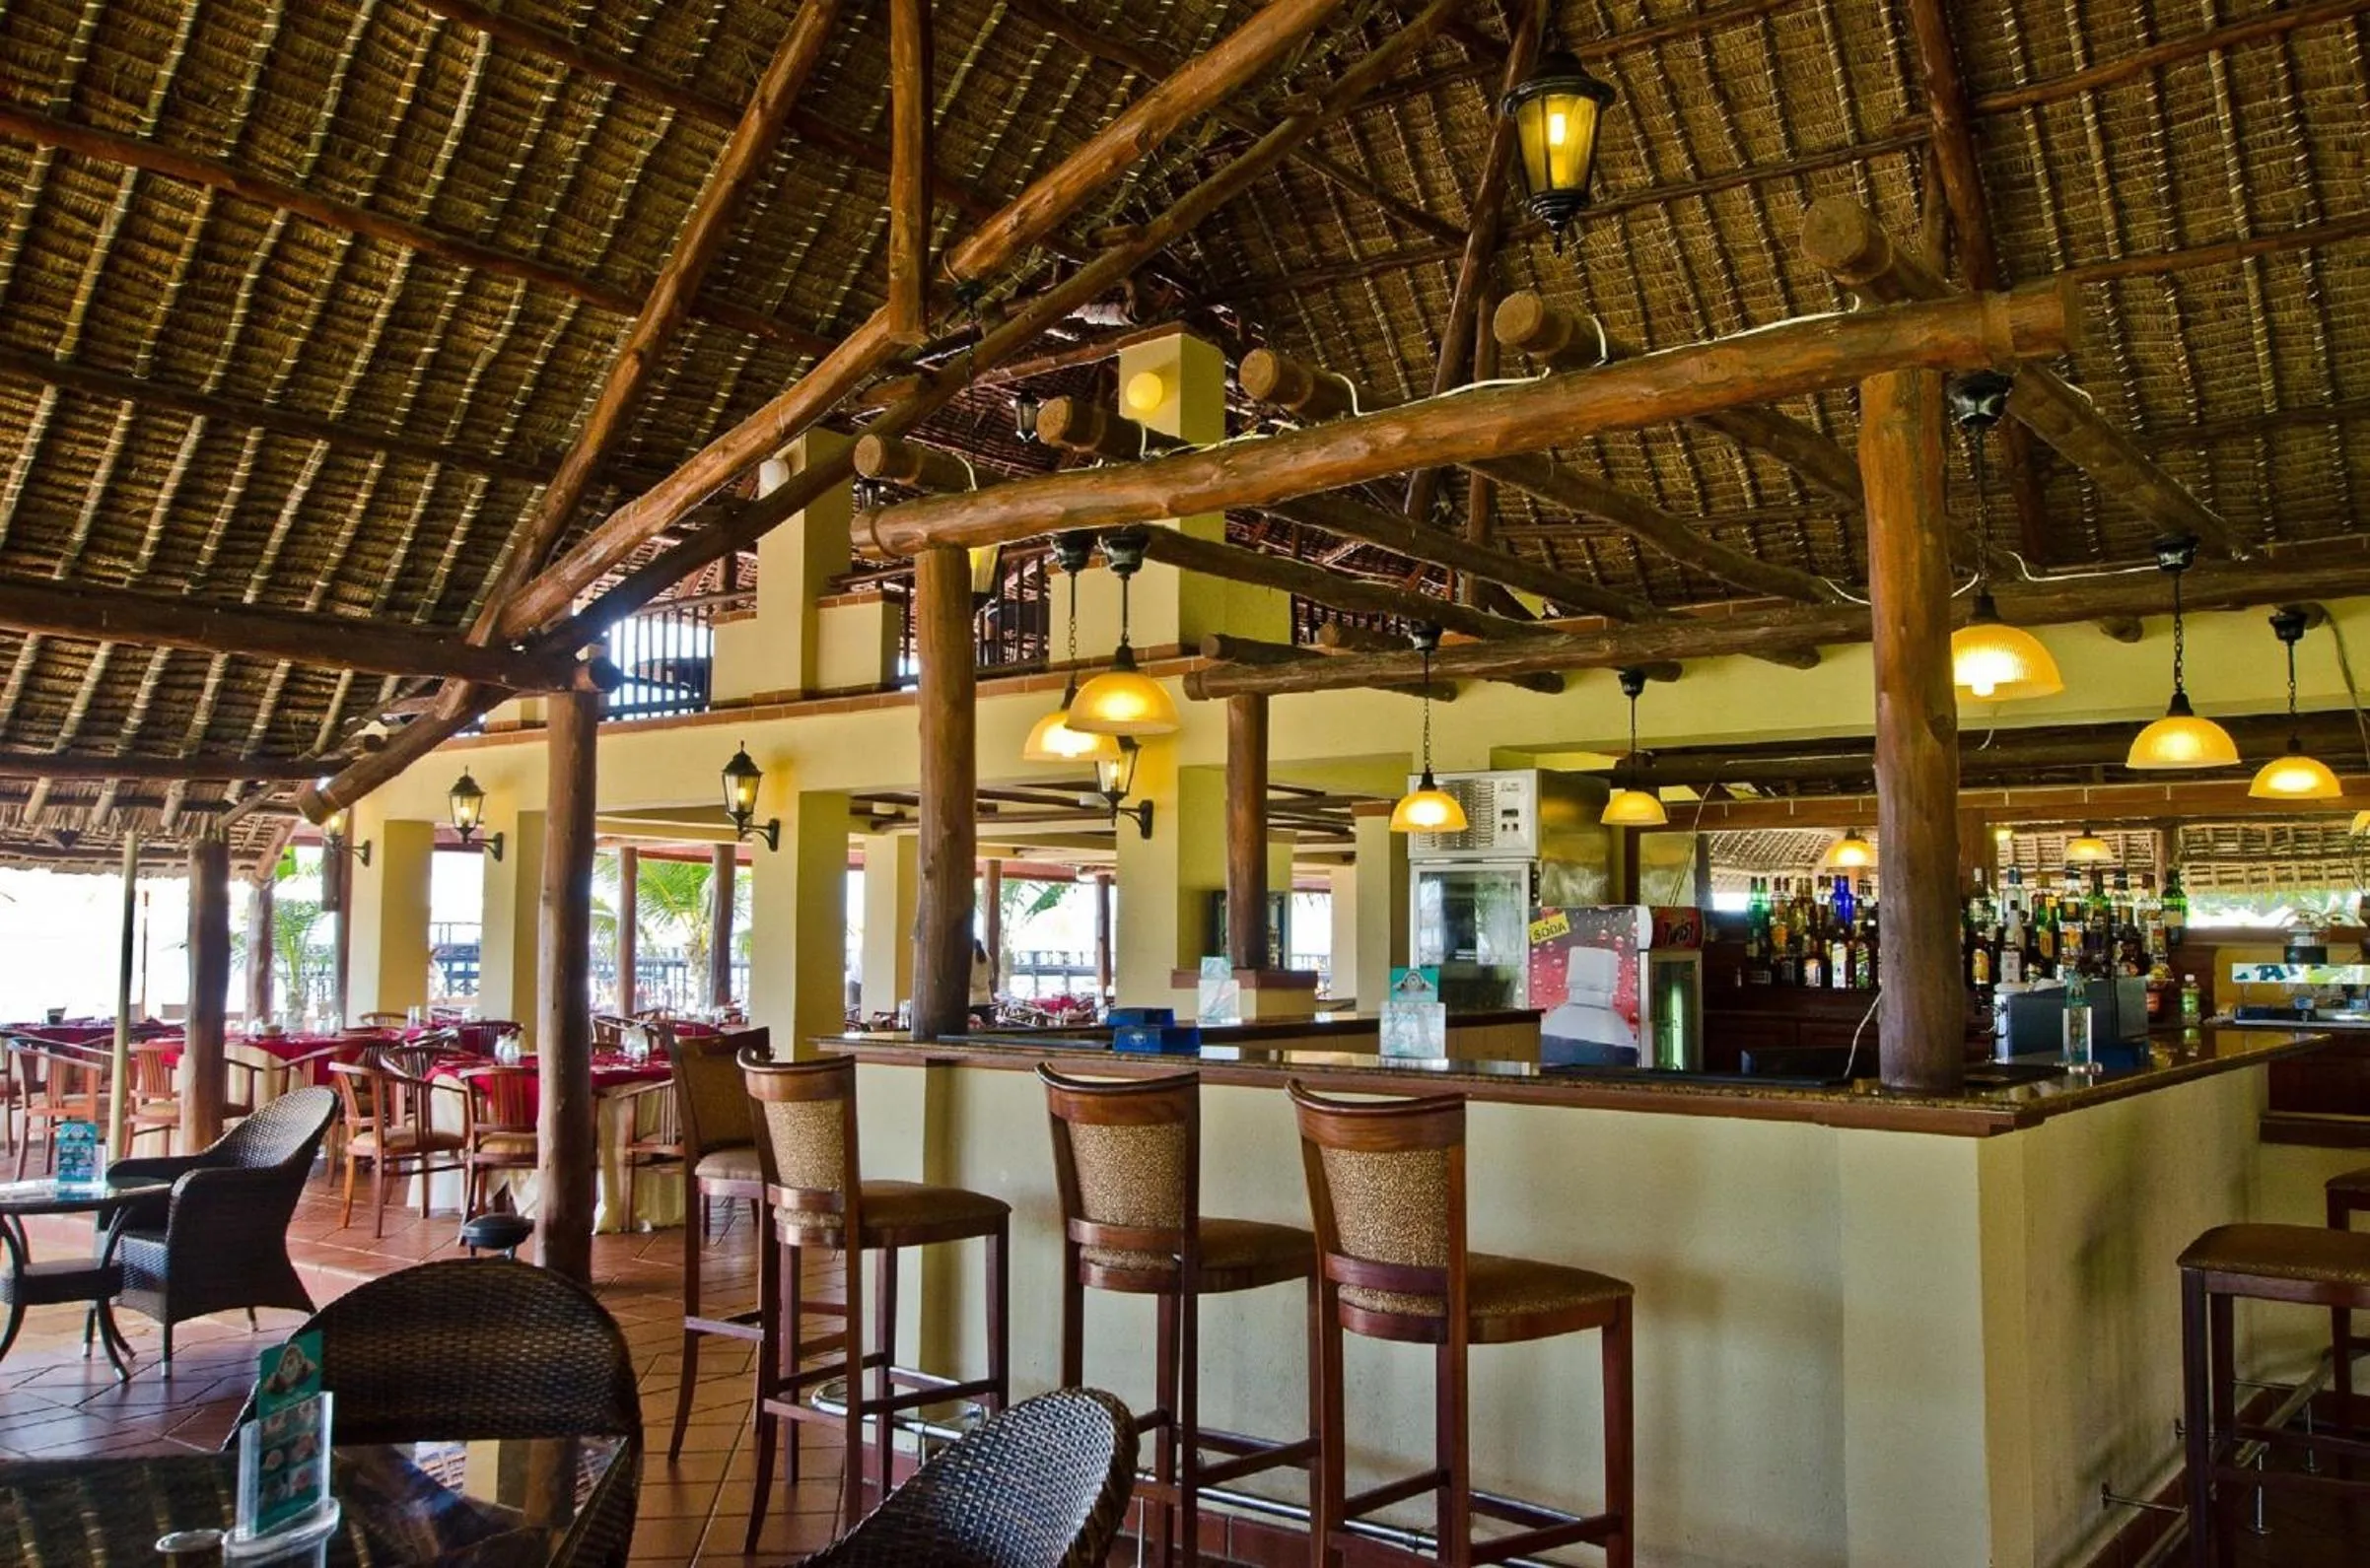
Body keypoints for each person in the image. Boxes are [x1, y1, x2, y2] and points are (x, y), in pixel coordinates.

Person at [968, 939, 996, 1025]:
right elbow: (991, 977)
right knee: (985, 1027)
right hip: (985, 999)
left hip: (972, 1000)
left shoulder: (967, 957)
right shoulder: (987, 956)